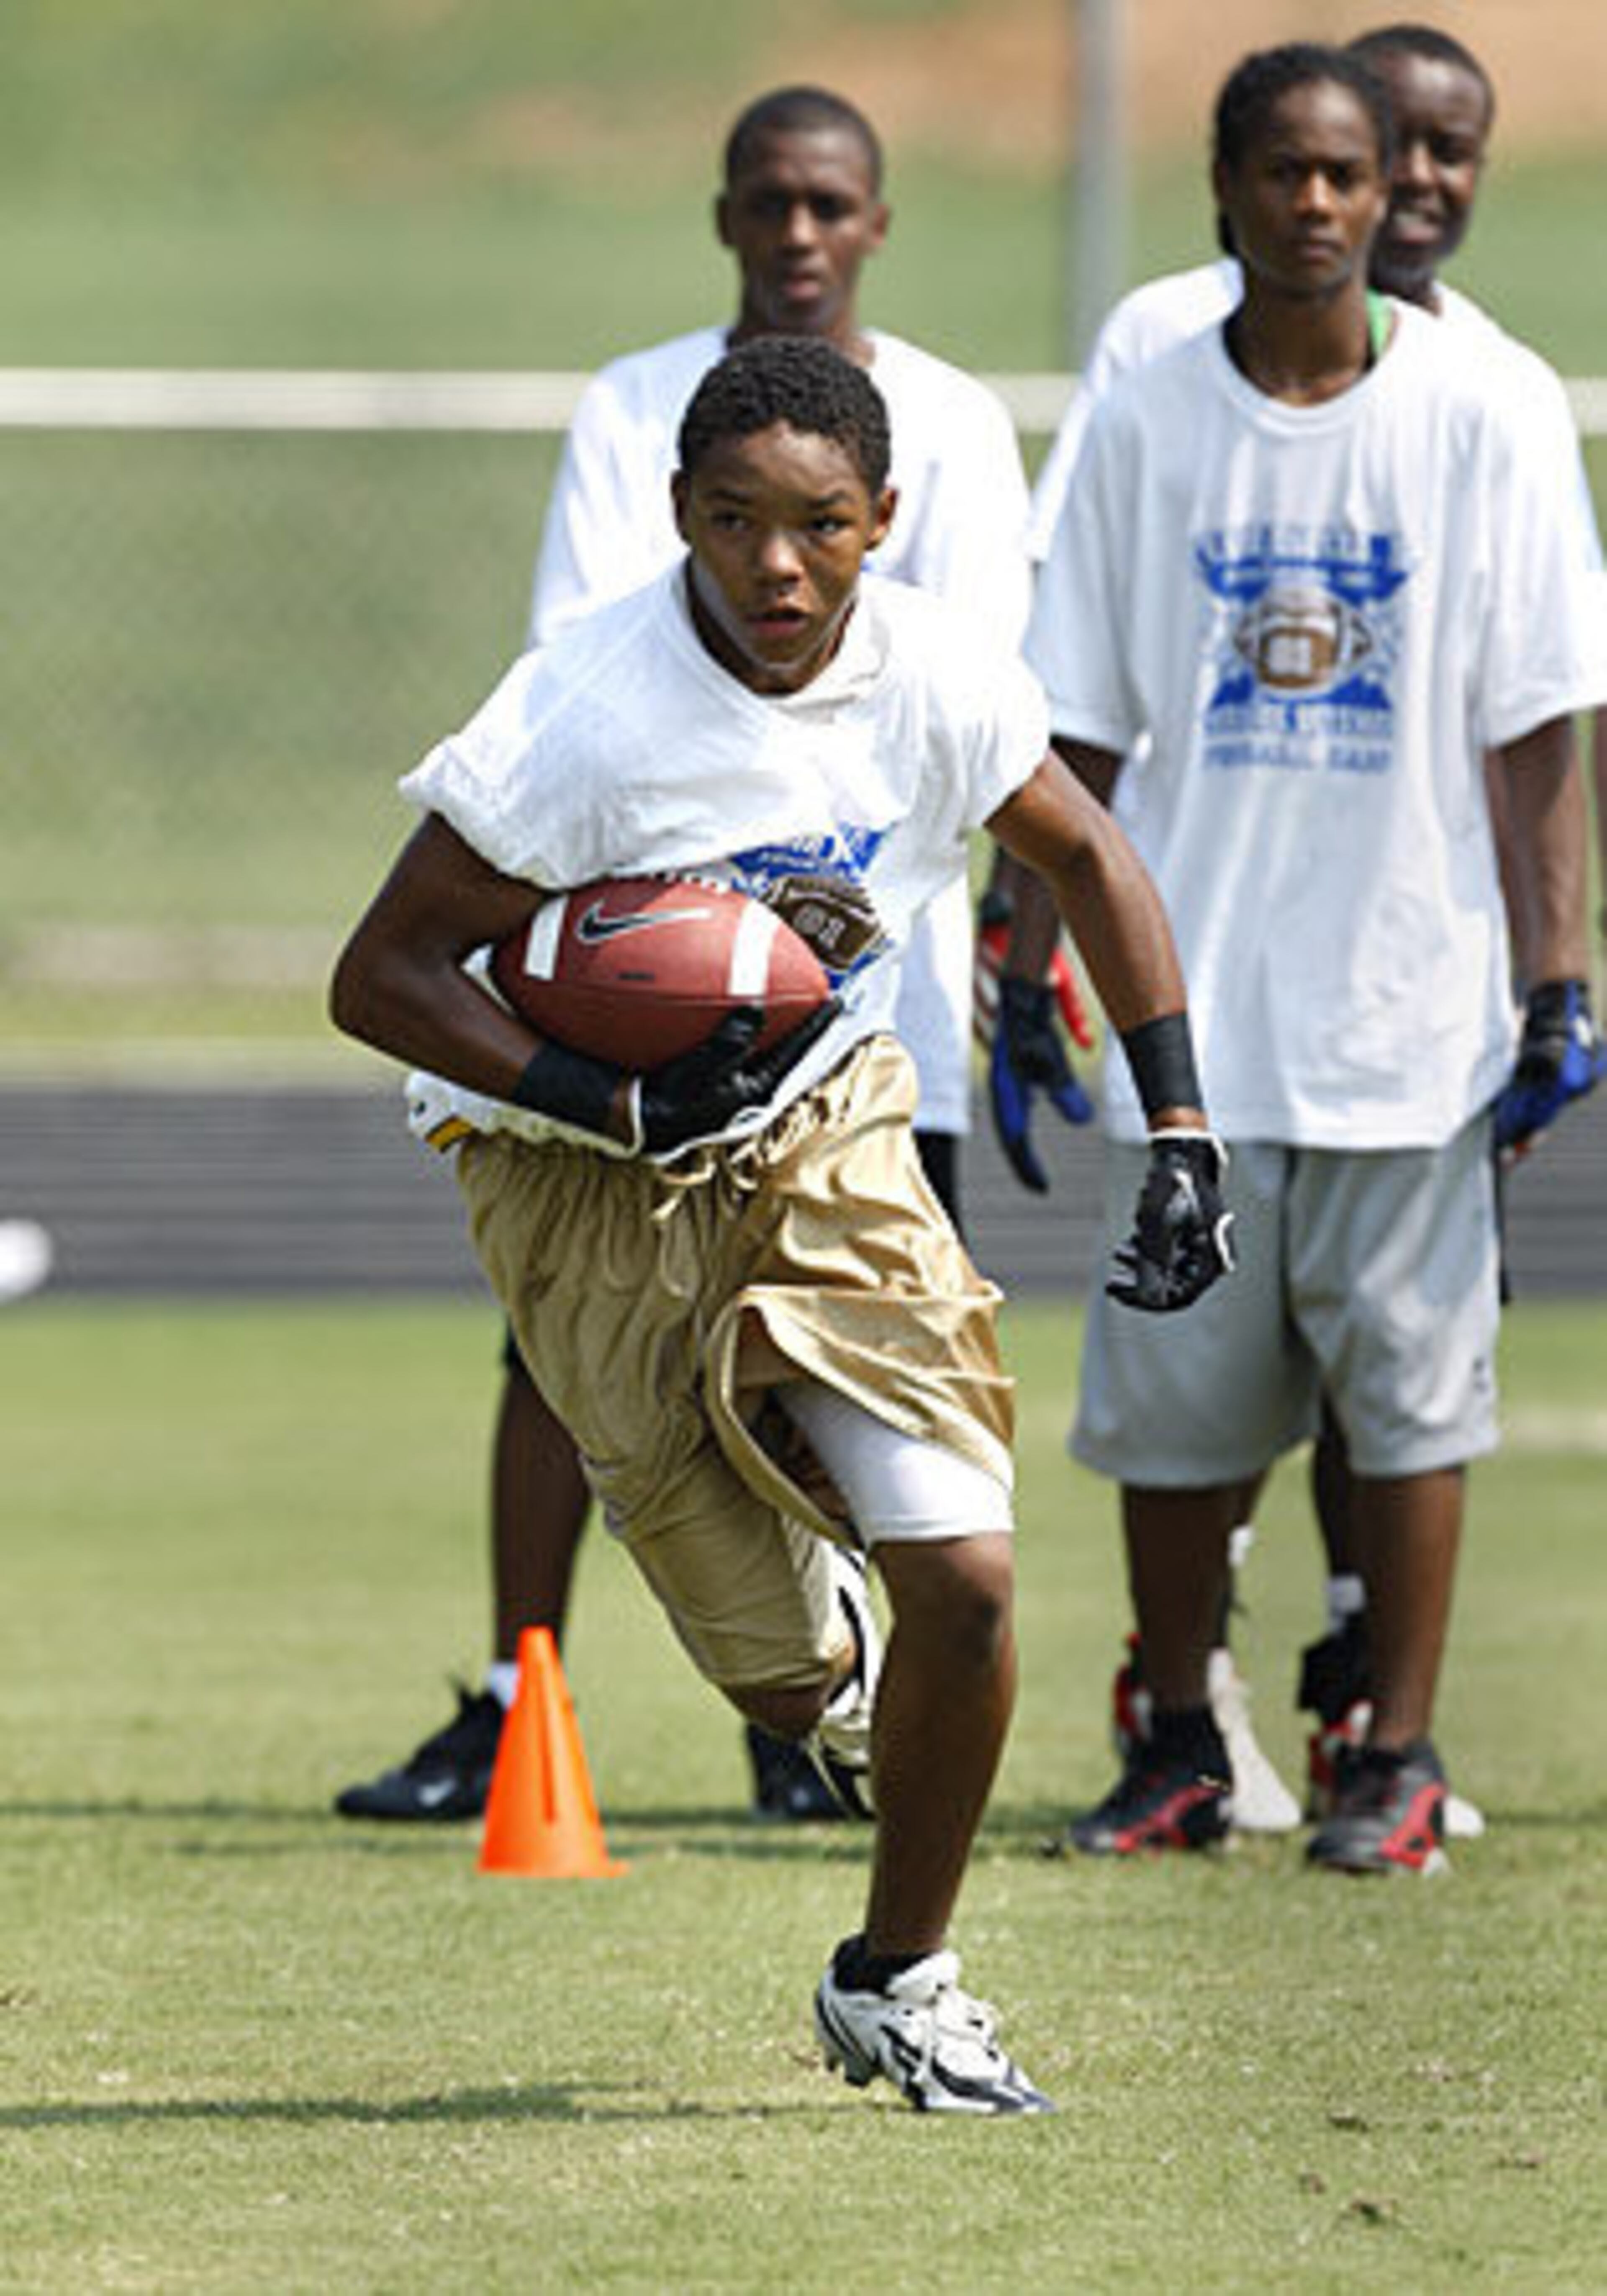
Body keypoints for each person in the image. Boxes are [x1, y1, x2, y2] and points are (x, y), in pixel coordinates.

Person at [329, 335, 1230, 2111]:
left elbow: (1088, 855)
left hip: (826, 1109)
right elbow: (377, 976)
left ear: (885, 518)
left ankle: (900, 1976)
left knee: (965, 1574)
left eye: (822, 524)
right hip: (570, 1167)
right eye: (734, 522)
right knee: (790, 1679)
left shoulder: (936, 673)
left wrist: (1179, 1117)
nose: (780, 567)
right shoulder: (586, 717)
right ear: (678, 516)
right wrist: (607, 1093)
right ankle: (816, 1622)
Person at [334, 85, 1037, 1829]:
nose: (798, 233)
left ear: (875, 220)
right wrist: (659, 1003)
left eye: (829, 205)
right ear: (727, 217)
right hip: (640, 954)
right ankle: (526, 1694)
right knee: (570, 1370)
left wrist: (1006, 946)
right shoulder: (632, 408)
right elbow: (598, 665)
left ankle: (838, 1708)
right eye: (768, 204)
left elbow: (991, 712)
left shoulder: (954, 416)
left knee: (861, 1370)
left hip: (876, 1012)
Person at [1020, 22, 1607, 1848]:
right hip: (1188, 1019)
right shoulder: (1142, 409)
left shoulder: (1483, 411)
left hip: (1401, 1006)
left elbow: (1534, 726)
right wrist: (1015, 945)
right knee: (1174, 1416)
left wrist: (1557, 977)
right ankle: (1183, 1742)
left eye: (1350, 173)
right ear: (1228, 191)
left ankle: (1394, 1756)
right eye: (1287, 170)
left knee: (1415, 1402)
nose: (1327, 202)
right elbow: (1078, 728)